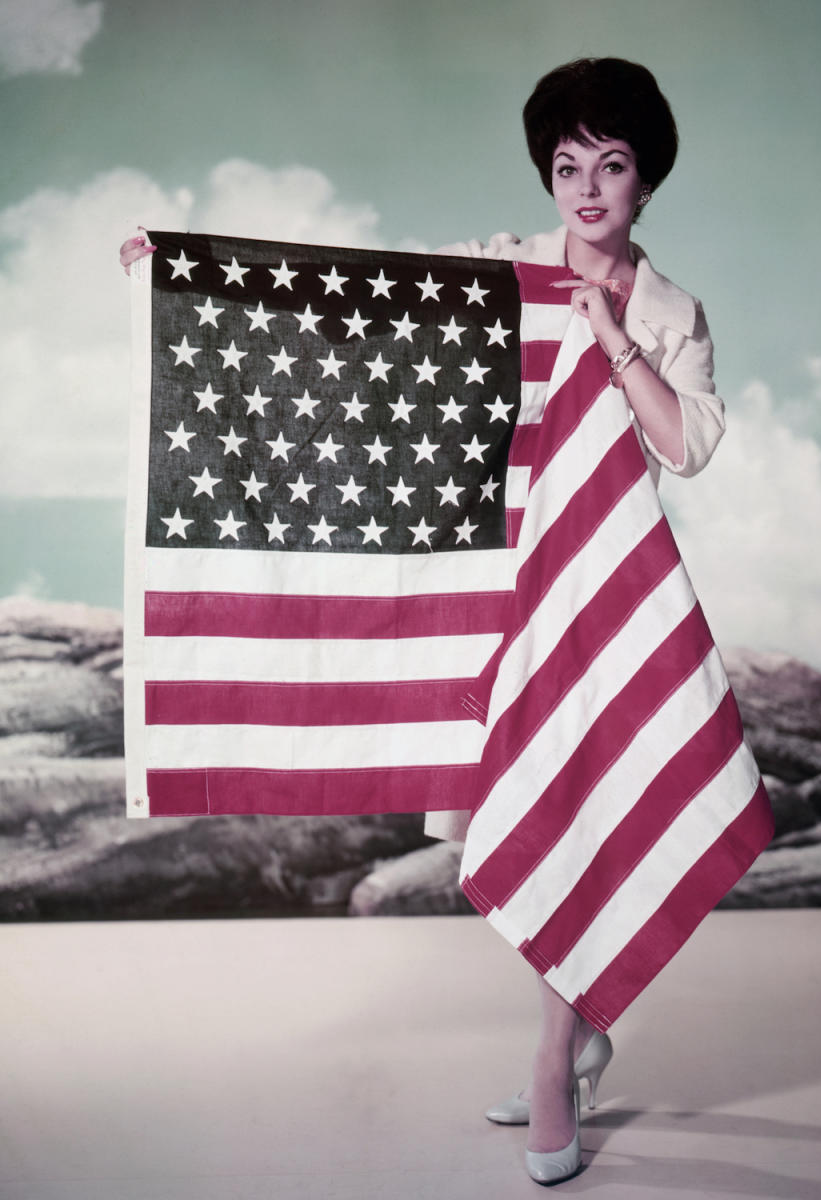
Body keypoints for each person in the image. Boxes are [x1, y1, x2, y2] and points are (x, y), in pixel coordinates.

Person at [120, 57, 726, 1186]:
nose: (586, 188)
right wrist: (202, 271)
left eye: (612, 164)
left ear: (647, 178)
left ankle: (556, 1059)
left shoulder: (671, 308)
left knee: (582, 806)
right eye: (566, 165)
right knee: (509, 822)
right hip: (494, 586)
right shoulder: (502, 270)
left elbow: (685, 446)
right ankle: (585, 1025)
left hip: (599, 586)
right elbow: (362, 300)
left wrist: (609, 331)